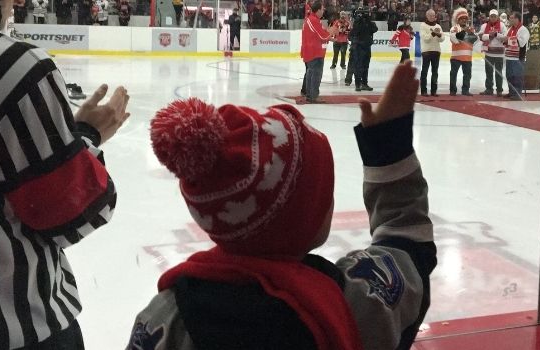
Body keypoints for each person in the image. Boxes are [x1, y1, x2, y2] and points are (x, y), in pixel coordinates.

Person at [127, 60, 436, 350]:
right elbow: (407, 244)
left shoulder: (165, 320)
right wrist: (388, 147)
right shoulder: (352, 302)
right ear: (299, 219)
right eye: (322, 193)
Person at [0, 0, 130, 347]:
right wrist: (86, 137)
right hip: (14, 328)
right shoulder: (5, 64)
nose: (13, 4)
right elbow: (74, 211)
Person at [300, 1, 336, 103]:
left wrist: (330, 38)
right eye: (322, 9)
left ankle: (310, 95)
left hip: (311, 51)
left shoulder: (312, 20)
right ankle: (313, 96)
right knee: (315, 74)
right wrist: (331, 33)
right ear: (318, 10)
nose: (323, 11)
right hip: (314, 52)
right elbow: (322, 35)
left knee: (310, 73)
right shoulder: (313, 20)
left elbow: (320, 33)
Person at [449, 7, 477, 96]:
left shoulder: (471, 29)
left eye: (465, 19)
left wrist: (470, 33)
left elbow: (474, 40)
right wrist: (464, 32)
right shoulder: (454, 28)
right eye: (462, 19)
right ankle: (453, 90)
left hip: (468, 57)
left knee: (467, 75)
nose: (464, 20)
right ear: (458, 20)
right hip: (456, 57)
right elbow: (454, 39)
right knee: (453, 74)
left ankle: (465, 90)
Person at [477, 9, 506, 96]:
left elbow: (505, 37)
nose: (493, 18)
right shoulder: (484, 26)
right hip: (488, 53)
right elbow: (480, 37)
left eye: (495, 16)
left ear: (497, 17)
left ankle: (499, 90)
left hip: (499, 54)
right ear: (489, 17)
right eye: (491, 16)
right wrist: (489, 35)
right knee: (489, 72)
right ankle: (489, 89)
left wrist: (496, 34)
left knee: (498, 73)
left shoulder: (502, 25)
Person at [349, 6, 377, 92]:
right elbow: (354, 32)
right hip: (359, 47)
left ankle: (364, 83)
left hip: (367, 46)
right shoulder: (357, 23)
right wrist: (359, 20)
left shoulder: (369, 23)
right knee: (358, 66)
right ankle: (358, 84)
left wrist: (367, 20)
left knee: (366, 66)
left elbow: (375, 29)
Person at [503, 12, 530, 100]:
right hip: (509, 56)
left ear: (517, 19)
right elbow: (505, 40)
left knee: (517, 76)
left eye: (511, 18)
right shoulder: (510, 28)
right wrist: (503, 39)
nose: (510, 19)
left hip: (517, 57)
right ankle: (512, 92)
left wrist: (508, 39)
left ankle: (517, 94)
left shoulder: (523, 29)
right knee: (509, 76)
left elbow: (521, 43)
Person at [420, 9, 444, 96]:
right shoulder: (423, 25)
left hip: (436, 51)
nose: (432, 17)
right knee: (425, 71)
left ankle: (434, 91)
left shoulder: (438, 26)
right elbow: (425, 38)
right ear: (427, 16)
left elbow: (442, 39)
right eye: (430, 15)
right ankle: (423, 91)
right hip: (426, 51)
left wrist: (439, 35)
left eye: (433, 15)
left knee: (435, 72)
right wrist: (433, 34)